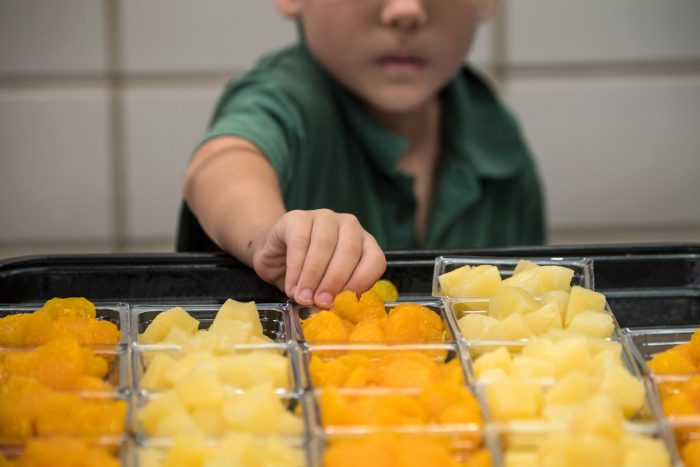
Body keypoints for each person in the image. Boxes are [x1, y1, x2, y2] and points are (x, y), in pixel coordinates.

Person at [182, 0, 546, 310]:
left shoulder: (494, 131)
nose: (406, 10)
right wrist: (263, 234)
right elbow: (223, 161)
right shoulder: (286, 98)